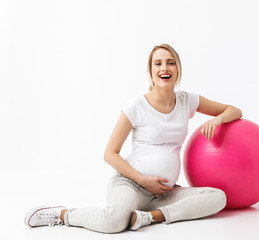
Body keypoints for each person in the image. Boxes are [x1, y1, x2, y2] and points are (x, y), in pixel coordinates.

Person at [24, 43, 243, 233]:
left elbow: (235, 110)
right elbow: (110, 154)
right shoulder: (137, 106)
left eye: (170, 62)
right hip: (131, 184)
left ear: (178, 69)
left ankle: (151, 216)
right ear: (151, 71)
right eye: (158, 63)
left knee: (217, 197)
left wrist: (217, 120)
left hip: (166, 193)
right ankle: (62, 214)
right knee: (113, 221)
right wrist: (143, 180)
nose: (164, 68)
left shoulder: (188, 100)